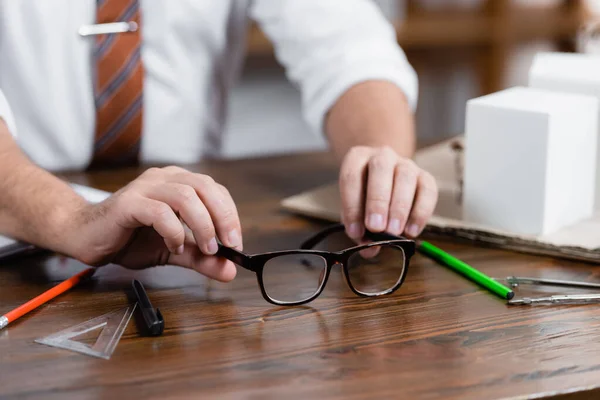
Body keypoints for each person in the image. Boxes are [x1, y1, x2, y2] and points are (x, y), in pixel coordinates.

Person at [0, 0, 438, 281]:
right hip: (25, 221)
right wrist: (71, 218)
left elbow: (349, 46)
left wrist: (382, 163)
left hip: (188, 234)